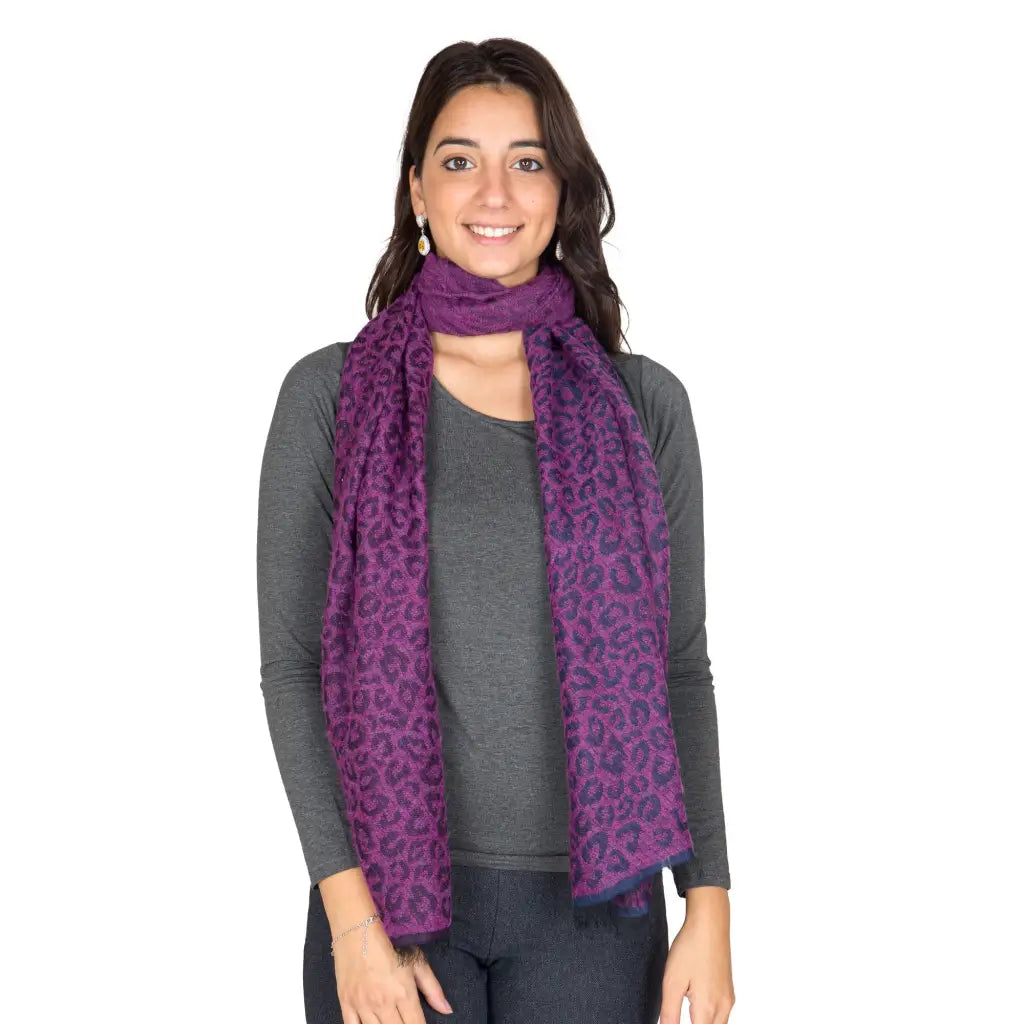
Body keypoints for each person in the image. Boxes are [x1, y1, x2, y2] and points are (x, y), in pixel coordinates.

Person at [258, 37, 735, 1024]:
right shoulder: (332, 396)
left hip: (596, 915)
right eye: (459, 159)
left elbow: (679, 667)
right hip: (388, 905)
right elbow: (294, 670)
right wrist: (352, 924)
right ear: (416, 188)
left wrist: (710, 902)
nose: (494, 193)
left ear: (562, 190)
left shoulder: (641, 406)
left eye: (527, 160)